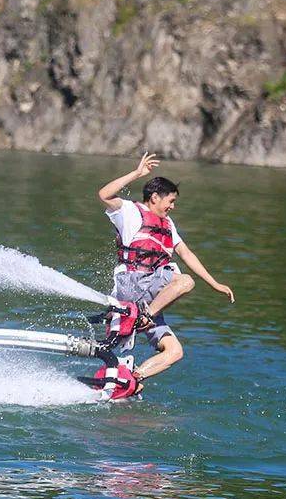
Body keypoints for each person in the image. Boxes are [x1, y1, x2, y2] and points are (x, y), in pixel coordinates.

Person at [98, 152, 234, 390]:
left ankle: (132, 379)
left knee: (175, 352)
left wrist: (214, 283)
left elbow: (186, 253)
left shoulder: (168, 225)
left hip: (151, 300)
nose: (172, 206)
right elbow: (104, 194)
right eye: (170, 201)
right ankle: (141, 318)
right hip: (133, 285)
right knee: (184, 282)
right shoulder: (130, 212)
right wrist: (137, 173)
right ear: (154, 197)